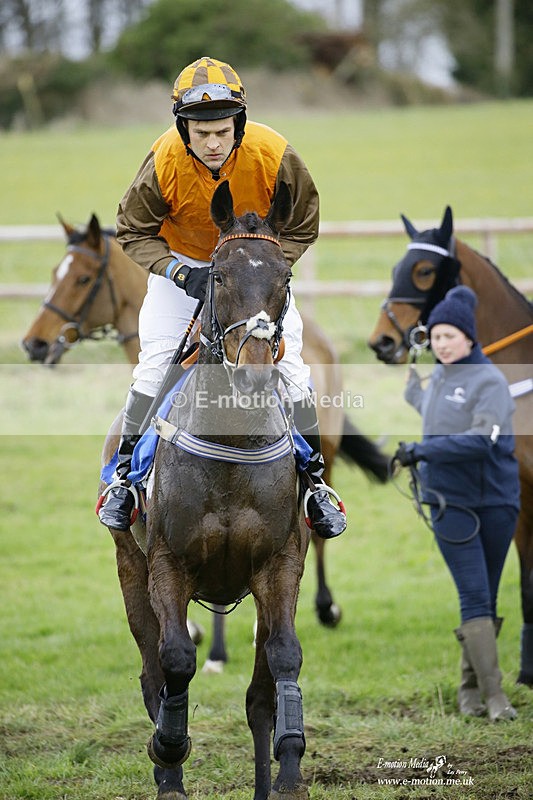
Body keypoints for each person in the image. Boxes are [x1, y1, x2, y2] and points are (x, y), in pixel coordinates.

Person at [98, 56, 346, 540]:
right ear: (183, 128)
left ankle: (316, 485)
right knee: (154, 367)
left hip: (254, 273)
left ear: (239, 123)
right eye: (200, 131)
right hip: (183, 272)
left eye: (223, 130)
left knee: (291, 365)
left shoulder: (275, 153)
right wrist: (175, 270)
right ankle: (126, 479)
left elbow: (305, 222)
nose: (213, 142)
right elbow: (131, 229)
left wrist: (266, 265)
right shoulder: (164, 158)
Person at [392, 285, 520, 721]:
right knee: (474, 595)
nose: (442, 345)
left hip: (498, 505)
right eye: (437, 337)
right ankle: (496, 697)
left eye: (450, 336)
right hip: (449, 506)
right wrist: (412, 374)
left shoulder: (490, 382)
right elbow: (423, 400)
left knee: (486, 595)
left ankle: (469, 692)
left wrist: (422, 451)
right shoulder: (440, 381)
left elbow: (482, 440)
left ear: (469, 337)